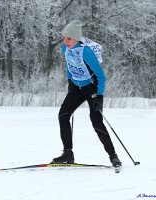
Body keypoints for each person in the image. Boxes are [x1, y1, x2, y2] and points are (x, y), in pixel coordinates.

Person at [51, 20, 122, 167]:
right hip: (76, 87)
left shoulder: (86, 52)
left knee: (96, 121)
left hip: (92, 89)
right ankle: (68, 153)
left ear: (76, 38)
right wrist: (70, 81)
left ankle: (113, 156)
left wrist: (99, 96)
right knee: (63, 115)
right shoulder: (66, 47)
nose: (65, 41)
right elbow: (68, 65)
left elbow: (101, 76)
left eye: (69, 38)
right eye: (64, 37)